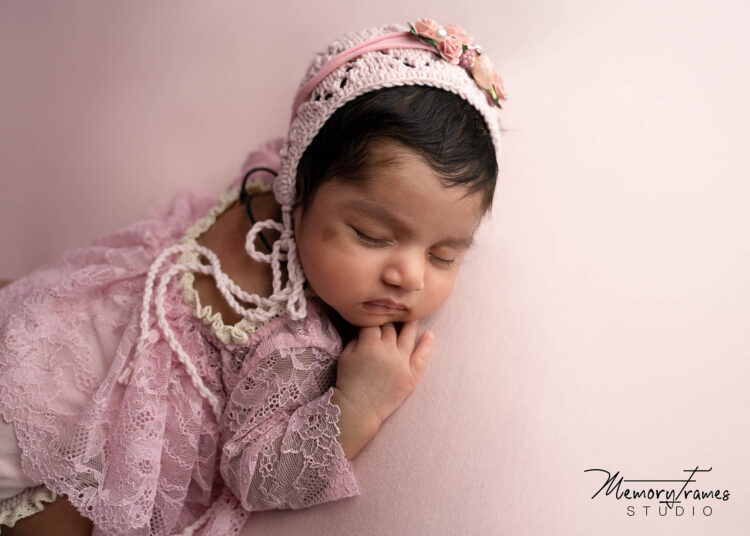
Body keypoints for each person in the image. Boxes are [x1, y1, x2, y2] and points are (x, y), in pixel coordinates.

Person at [0, 19, 506, 536]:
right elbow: (252, 473)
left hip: (79, 388)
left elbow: (255, 470)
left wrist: (354, 401)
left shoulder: (293, 309)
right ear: (297, 183)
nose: (408, 276)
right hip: (76, 367)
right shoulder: (291, 301)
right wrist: (353, 406)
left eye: (444, 255)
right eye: (372, 234)